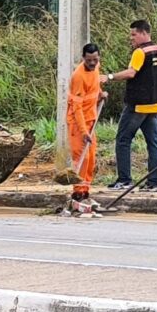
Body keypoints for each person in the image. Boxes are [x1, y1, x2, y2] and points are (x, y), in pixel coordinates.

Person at [100, 19, 157, 192]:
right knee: (153, 144)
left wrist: (110, 77)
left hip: (138, 105)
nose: (131, 38)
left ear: (144, 33)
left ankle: (124, 180)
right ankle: (153, 182)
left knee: (123, 140)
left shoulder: (140, 52)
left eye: (134, 34)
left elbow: (131, 73)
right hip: (155, 105)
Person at [68, 43, 107, 201]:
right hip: (78, 124)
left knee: (90, 159)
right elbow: (77, 108)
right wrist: (84, 132)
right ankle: (78, 193)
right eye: (89, 60)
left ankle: (86, 191)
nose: (92, 63)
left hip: (91, 120)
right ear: (83, 58)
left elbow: (94, 87)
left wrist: (100, 95)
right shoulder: (78, 76)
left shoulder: (96, 67)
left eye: (95, 60)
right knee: (81, 159)